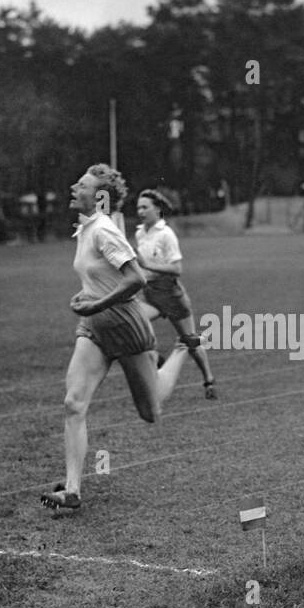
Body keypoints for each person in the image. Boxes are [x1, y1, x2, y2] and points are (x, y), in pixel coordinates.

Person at [40, 164, 189, 513]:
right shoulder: (87, 227)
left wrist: (97, 303)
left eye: (83, 184)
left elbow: (136, 279)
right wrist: (85, 298)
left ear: (100, 197)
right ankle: (72, 490)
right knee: (73, 403)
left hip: (125, 323)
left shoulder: (104, 231)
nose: (74, 186)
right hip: (94, 327)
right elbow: (97, 277)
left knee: (150, 412)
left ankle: (183, 347)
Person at [134, 188, 217, 398]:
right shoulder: (139, 233)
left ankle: (208, 380)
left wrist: (147, 265)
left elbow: (177, 269)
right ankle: (157, 359)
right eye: (138, 208)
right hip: (150, 295)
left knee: (190, 340)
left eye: (145, 207)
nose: (140, 211)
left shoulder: (166, 234)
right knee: (132, 324)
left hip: (171, 295)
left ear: (158, 209)